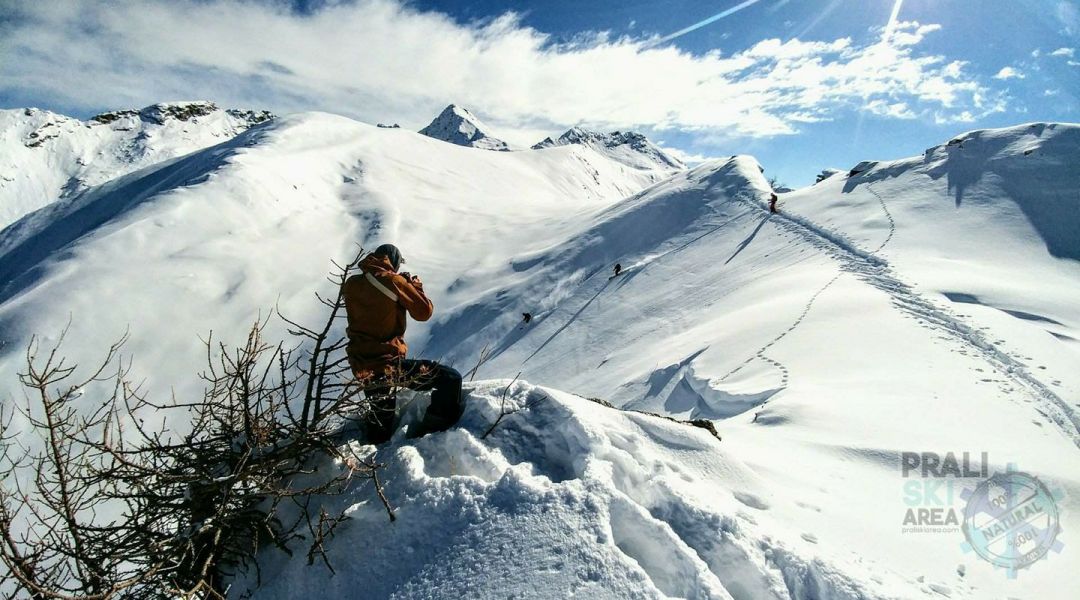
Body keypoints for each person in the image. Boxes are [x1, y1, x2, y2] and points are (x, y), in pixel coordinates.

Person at [342, 244, 463, 443]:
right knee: (450, 379)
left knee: (381, 422)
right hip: (387, 363)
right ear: (394, 262)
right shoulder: (394, 281)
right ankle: (433, 437)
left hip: (362, 364)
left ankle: (371, 462)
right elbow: (424, 312)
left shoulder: (351, 284)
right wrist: (413, 287)